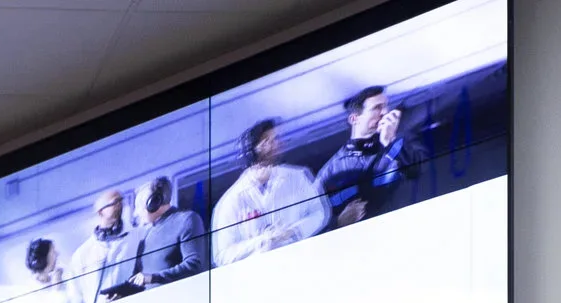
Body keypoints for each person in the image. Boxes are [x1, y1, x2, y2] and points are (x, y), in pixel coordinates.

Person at [211, 119, 328, 265]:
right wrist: (262, 241)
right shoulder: (231, 201)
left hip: (300, 263)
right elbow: (223, 255)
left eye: (275, 139)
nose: (274, 145)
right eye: (266, 141)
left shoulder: (297, 177)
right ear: (250, 150)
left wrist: (293, 232)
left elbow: (318, 213)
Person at [319, 85, 428, 225]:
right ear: (354, 119)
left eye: (385, 106)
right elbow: (313, 220)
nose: (385, 112)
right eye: (377, 108)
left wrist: (389, 142)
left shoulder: (398, 143)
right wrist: (338, 222)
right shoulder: (331, 170)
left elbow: (418, 171)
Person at [68, 189, 144, 303]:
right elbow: (76, 296)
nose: (120, 205)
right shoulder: (82, 254)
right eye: (115, 202)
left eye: (121, 201)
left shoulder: (136, 237)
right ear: (100, 212)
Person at [128, 176, 206, 289]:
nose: (136, 213)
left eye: (139, 206)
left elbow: (194, 264)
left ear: (154, 203)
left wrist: (153, 278)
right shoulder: (145, 235)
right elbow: (138, 276)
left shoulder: (186, 220)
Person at [5, 236, 77, 303]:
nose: (57, 254)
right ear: (44, 258)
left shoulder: (63, 277)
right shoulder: (27, 291)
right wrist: (56, 289)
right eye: (53, 252)